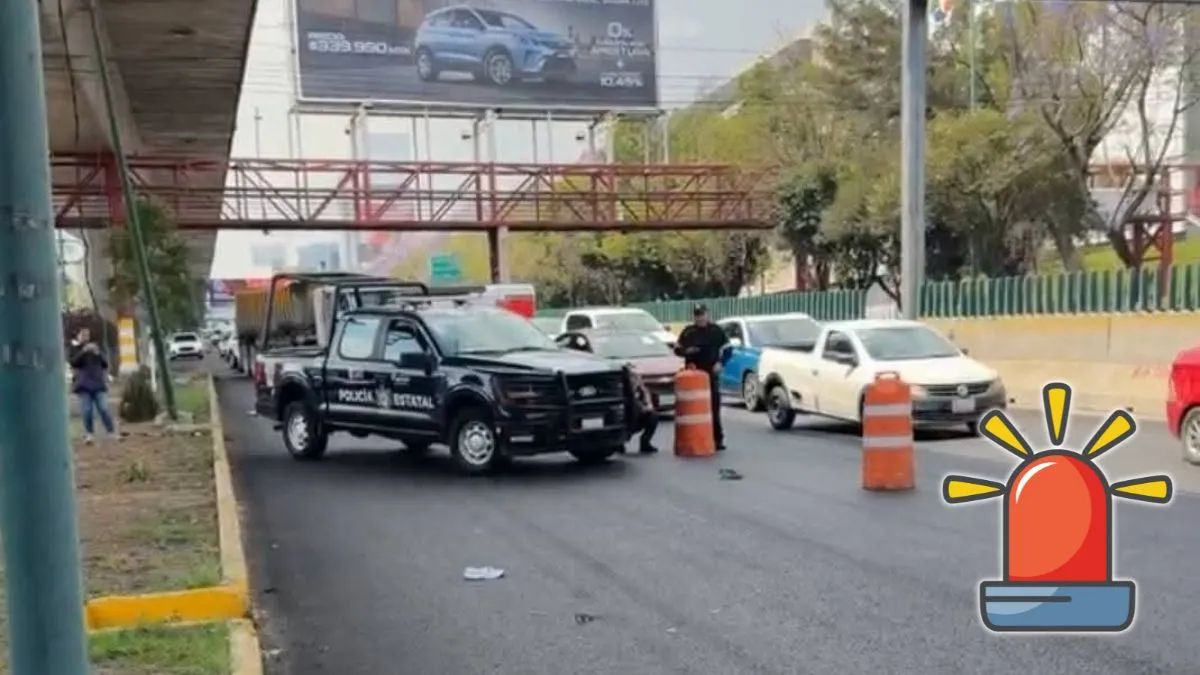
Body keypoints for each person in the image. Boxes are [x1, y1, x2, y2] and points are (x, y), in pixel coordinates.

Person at [674, 304, 728, 451]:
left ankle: (717, 439)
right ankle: (695, 438)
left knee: (714, 407)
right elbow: (677, 349)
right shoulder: (688, 332)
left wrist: (720, 363)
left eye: (702, 315)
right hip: (693, 376)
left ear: (707, 315)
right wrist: (686, 351)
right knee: (693, 409)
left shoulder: (715, 331)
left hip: (711, 373)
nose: (700, 318)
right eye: (697, 315)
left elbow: (728, 349)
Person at [70, 333, 117, 444]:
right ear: (78, 337)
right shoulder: (76, 350)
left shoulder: (97, 349)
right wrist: (83, 351)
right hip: (84, 385)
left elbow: (105, 364)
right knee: (87, 411)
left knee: (104, 408)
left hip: (98, 384)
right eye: (82, 335)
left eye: (86, 335)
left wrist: (98, 353)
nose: (85, 337)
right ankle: (89, 434)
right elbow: (73, 362)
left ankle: (111, 431)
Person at [621, 370, 659, 454]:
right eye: (631, 379)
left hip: (636, 418)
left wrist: (648, 406)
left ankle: (645, 442)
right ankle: (618, 443)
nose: (634, 381)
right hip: (623, 419)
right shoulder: (620, 389)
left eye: (635, 378)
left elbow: (646, 395)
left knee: (653, 416)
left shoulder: (639, 388)